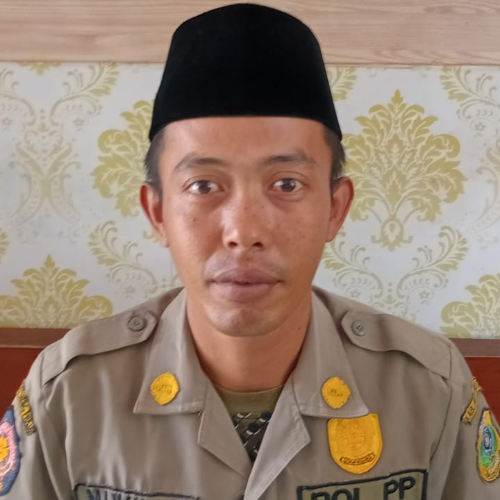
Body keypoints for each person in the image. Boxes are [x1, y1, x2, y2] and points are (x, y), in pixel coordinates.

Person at [1, 4, 499, 499]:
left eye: (286, 184)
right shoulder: (68, 397)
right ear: (157, 213)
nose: (244, 231)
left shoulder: (430, 389)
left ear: (335, 208)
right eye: (203, 186)